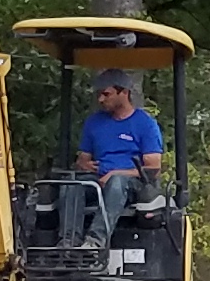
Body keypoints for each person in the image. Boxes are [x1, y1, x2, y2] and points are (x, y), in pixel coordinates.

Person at [71, 75, 167, 247]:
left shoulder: (145, 124)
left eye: (106, 94)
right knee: (71, 184)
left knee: (116, 183)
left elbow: (153, 168)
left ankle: (95, 241)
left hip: (134, 185)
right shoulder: (94, 123)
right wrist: (84, 165)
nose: (101, 99)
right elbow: (83, 159)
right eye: (99, 94)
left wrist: (115, 173)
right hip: (98, 180)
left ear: (124, 92)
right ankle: (68, 242)